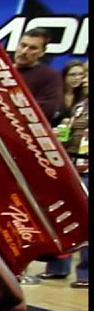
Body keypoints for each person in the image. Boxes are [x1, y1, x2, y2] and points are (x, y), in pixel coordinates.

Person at [41, 66, 89, 288]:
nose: (84, 80)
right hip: (72, 166)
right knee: (65, 219)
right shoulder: (79, 106)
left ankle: (85, 274)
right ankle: (57, 268)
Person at [13, 28, 63, 122]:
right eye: (23, 45)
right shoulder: (1, 69)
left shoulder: (50, 76)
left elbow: (48, 110)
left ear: (42, 53)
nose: (24, 51)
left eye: (33, 48)